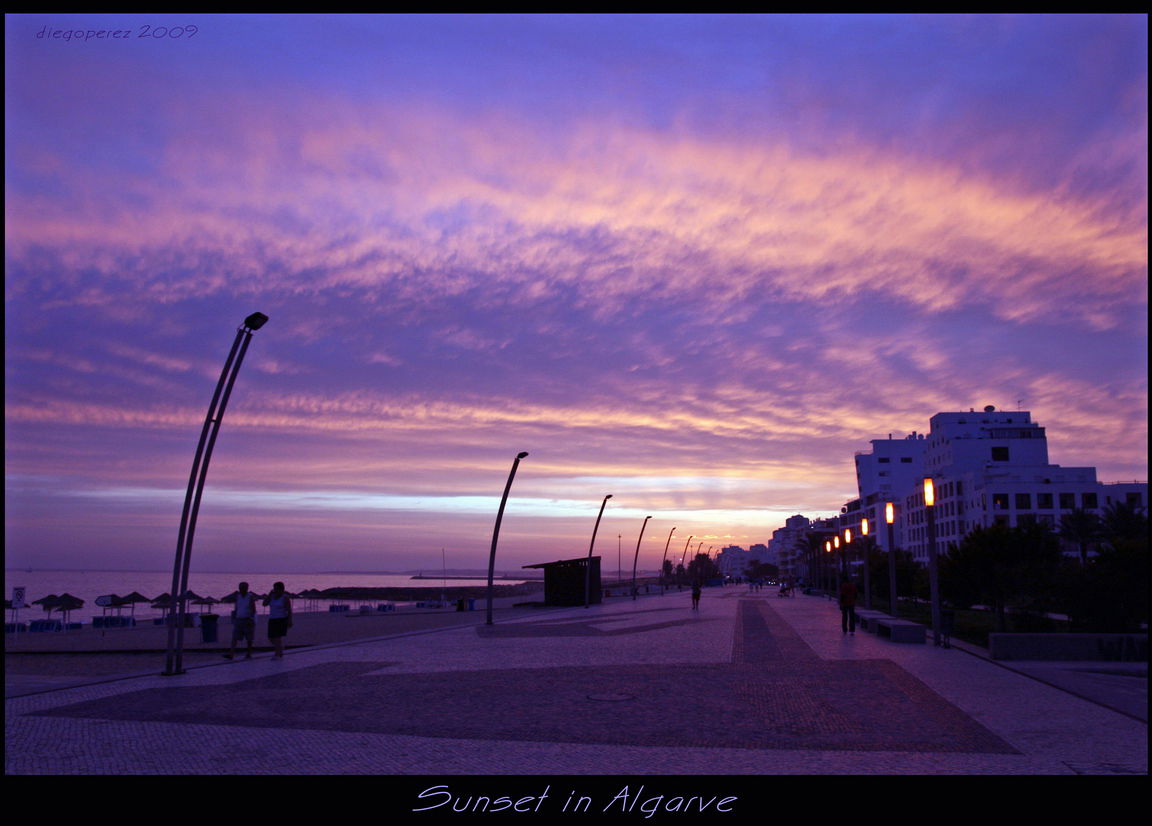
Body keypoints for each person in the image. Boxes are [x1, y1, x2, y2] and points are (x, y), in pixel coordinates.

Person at [223, 581, 257, 660]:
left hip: (247, 619)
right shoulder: (238, 597)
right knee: (234, 637)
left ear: (247, 588)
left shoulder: (250, 596)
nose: (241, 589)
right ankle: (231, 654)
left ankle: (249, 653)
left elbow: (253, 609)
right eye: (240, 587)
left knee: (249, 638)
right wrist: (234, 617)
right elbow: (236, 608)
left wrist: (251, 618)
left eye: (243, 587)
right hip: (239, 619)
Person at [263, 581, 292, 659]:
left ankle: (277, 654)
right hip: (272, 619)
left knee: (277, 637)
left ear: (281, 589)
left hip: (281, 619)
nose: (275, 590)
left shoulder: (285, 598)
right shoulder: (272, 597)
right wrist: (269, 595)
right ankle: (280, 650)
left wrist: (289, 620)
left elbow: (289, 610)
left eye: (276, 589)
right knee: (271, 638)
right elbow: (264, 604)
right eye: (274, 588)